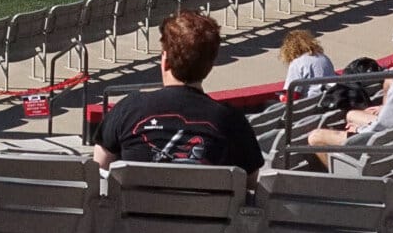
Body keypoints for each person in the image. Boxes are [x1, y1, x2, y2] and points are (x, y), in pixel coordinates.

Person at [94, 11, 262, 188]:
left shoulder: (128, 109)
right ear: (210, 65)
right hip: (204, 213)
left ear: (165, 61)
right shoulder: (231, 121)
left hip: (134, 213)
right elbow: (249, 186)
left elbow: (99, 170)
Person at [279, 30, 335, 99]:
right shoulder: (324, 58)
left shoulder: (297, 63)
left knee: (268, 103)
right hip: (328, 99)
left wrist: (282, 97)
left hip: (308, 104)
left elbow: (292, 96)